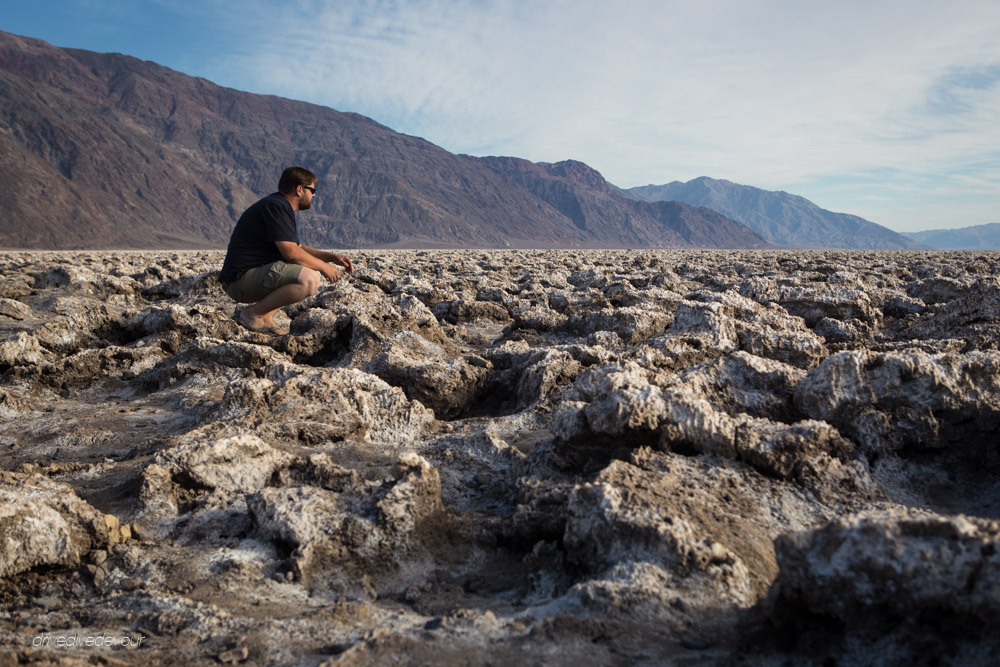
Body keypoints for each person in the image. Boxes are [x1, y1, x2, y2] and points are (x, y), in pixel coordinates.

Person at [218, 166, 353, 335]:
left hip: (244, 278)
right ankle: (252, 314)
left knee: (302, 267)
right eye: (312, 190)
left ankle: (265, 318)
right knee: (309, 279)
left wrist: (331, 257)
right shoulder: (277, 207)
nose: (314, 195)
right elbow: (291, 253)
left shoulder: (278, 206)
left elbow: (298, 248)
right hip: (241, 280)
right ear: (299, 190)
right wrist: (323, 267)